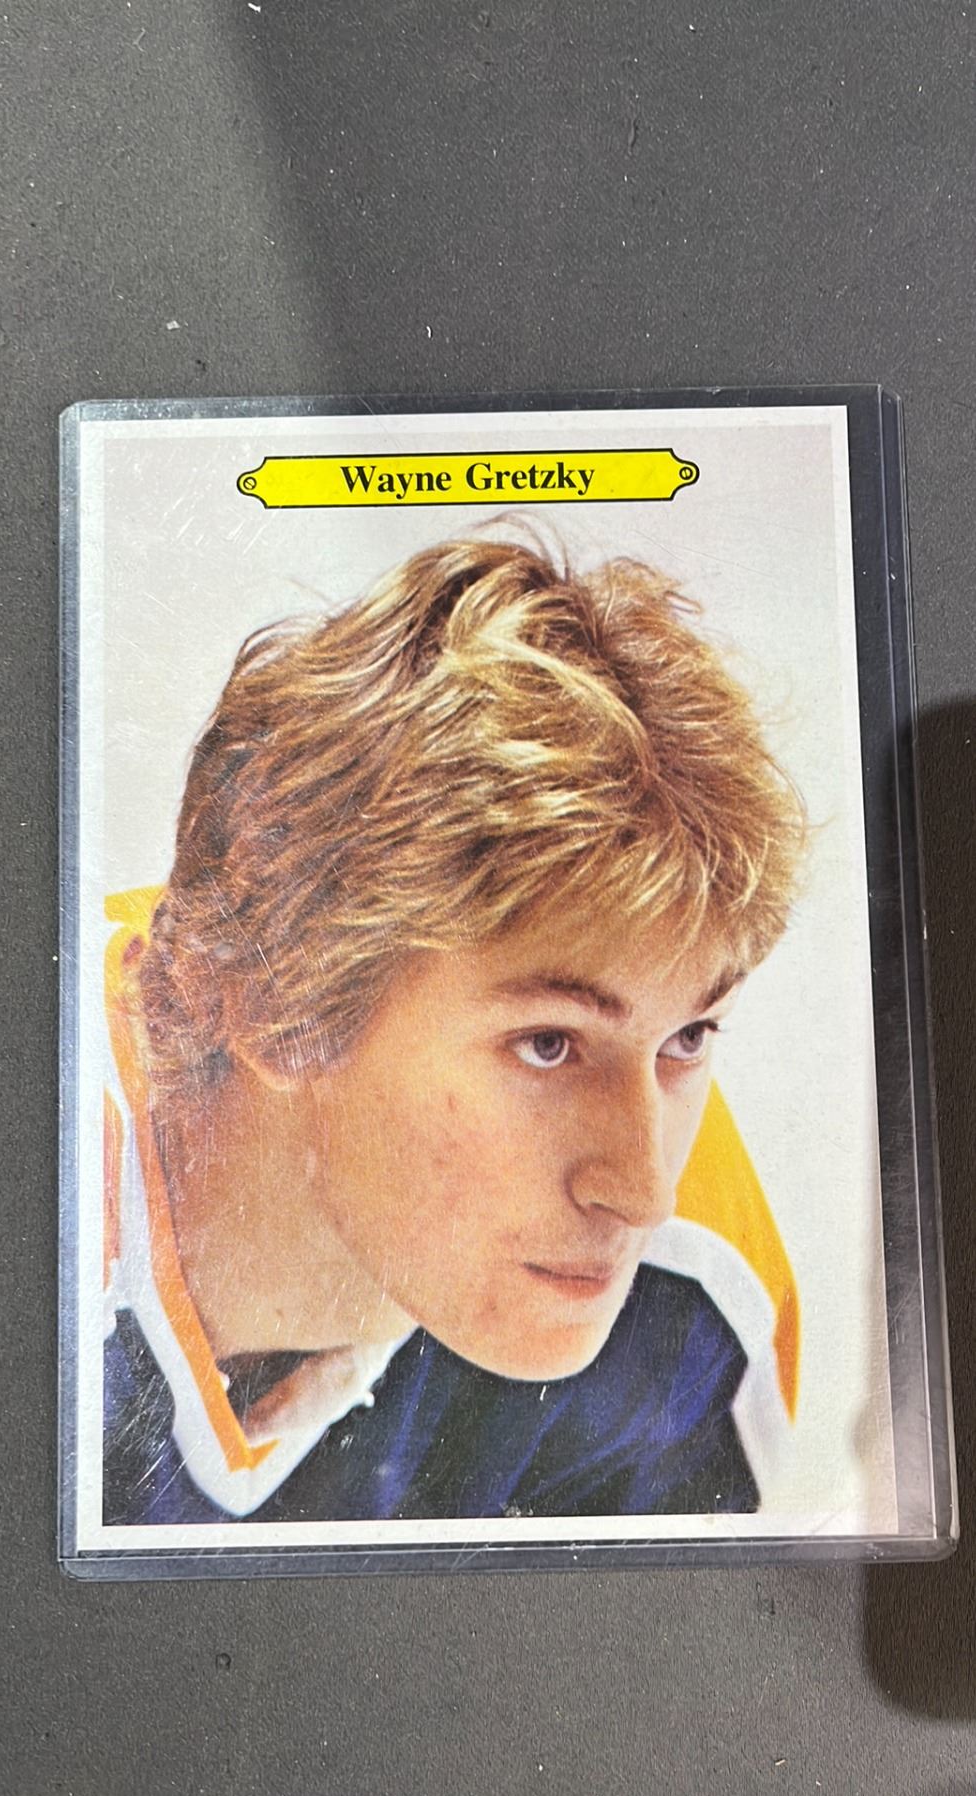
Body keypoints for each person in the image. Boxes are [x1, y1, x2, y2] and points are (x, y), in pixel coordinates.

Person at [101, 530, 806, 1527]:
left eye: (688, 1038)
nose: (643, 1192)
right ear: (272, 1002)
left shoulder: (693, 1286)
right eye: (546, 1044)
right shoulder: (44, 1189)